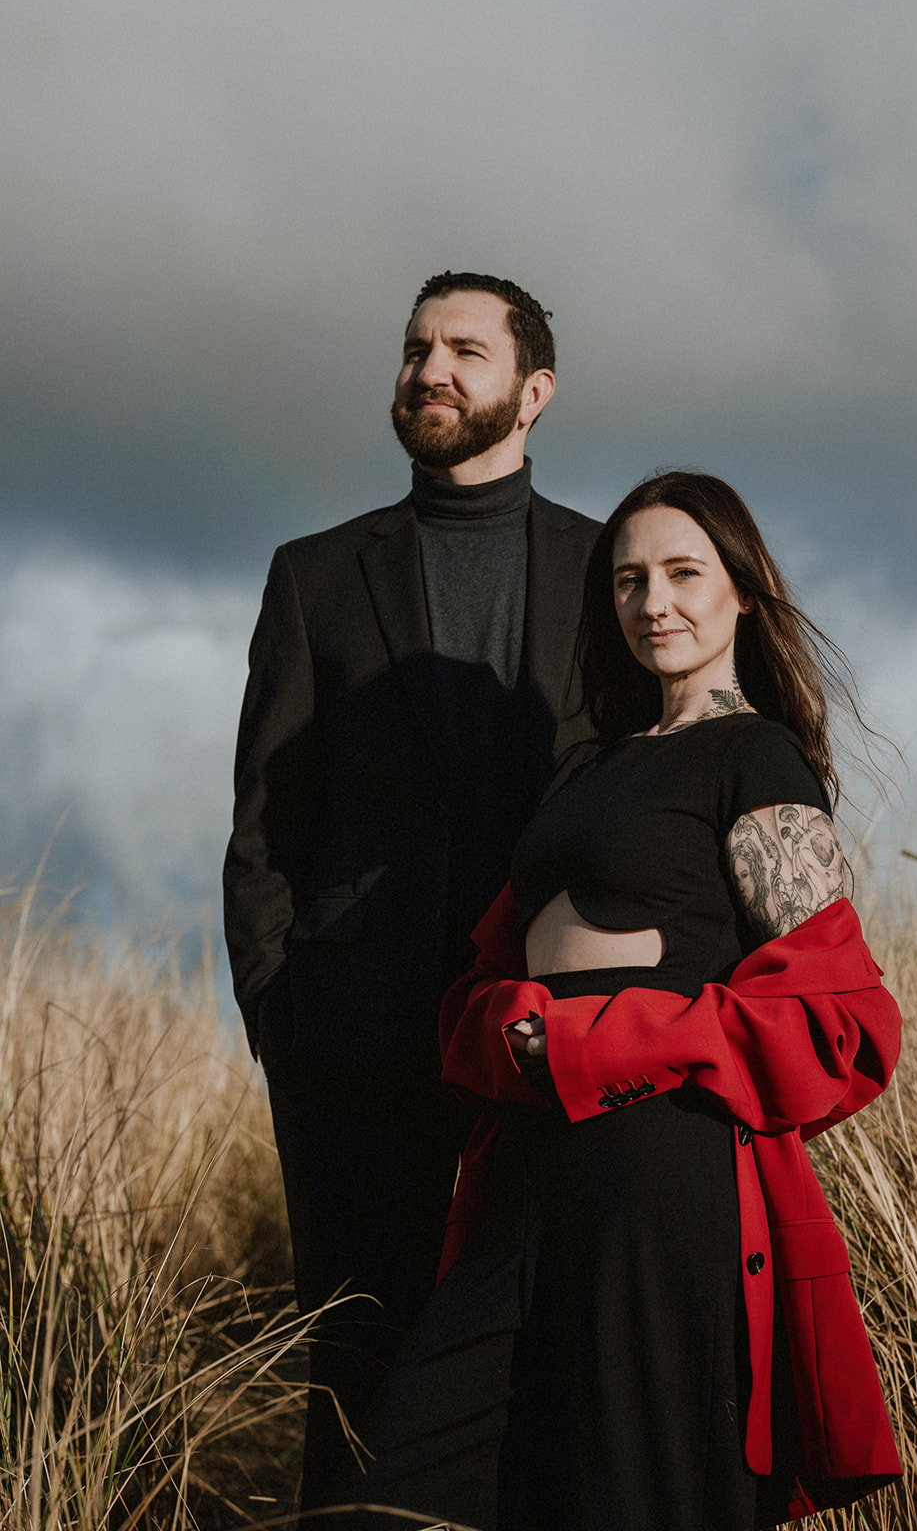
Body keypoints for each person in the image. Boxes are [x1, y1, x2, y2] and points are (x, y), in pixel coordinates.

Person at [353, 472, 903, 1531]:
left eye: (682, 573)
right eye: (628, 580)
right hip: (524, 1171)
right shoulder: (582, 773)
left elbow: (836, 1024)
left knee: (637, 1500)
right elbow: (485, 982)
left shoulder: (755, 758)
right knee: (397, 1487)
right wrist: (506, 1033)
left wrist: (591, 1039)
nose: (653, 601)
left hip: (662, 1176)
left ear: (742, 590)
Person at [222, 271, 600, 1513]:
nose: (428, 369)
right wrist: (281, 1015)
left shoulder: (610, 573)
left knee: (536, 1362)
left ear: (531, 391)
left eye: (463, 351)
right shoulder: (316, 574)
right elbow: (266, 826)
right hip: (349, 1043)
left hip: (547, 1039)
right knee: (357, 1364)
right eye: (413, 348)